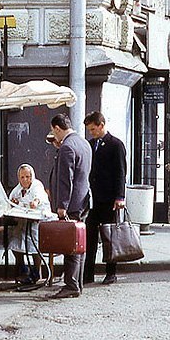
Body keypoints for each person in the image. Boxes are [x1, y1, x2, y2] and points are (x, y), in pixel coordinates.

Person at [46, 113, 92, 299]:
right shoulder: (84, 143)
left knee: (70, 244)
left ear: (57, 128)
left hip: (71, 203)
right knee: (79, 243)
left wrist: (61, 206)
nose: (53, 135)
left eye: (53, 131)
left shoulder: (67, 147)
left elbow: (66, 179)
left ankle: (71, 285)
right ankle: (77, 282)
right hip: (83, 200)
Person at [82, 111, 127, 285]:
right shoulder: (90, 144)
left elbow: (120, 172)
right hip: (93, 198)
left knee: (110, 236)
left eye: (93, 129)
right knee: (90, 236)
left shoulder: (115, 144)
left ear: (101, 125)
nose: (91, 132)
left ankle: (111, 272)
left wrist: (120, 196)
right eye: (89, 130)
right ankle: (88, 273)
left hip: (109, 199)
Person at [7, 163, 52, 289]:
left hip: (37, 221)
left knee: (34, 245)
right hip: (23, 221)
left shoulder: (37, 186)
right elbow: (11, 200)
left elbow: (39, 197)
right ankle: (22, 269)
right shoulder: (17, 190)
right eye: (22, 177)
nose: (25, 180)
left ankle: (36, 272)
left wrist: (35, 202)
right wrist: (14, 202)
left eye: (28, 177)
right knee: (15, 241)